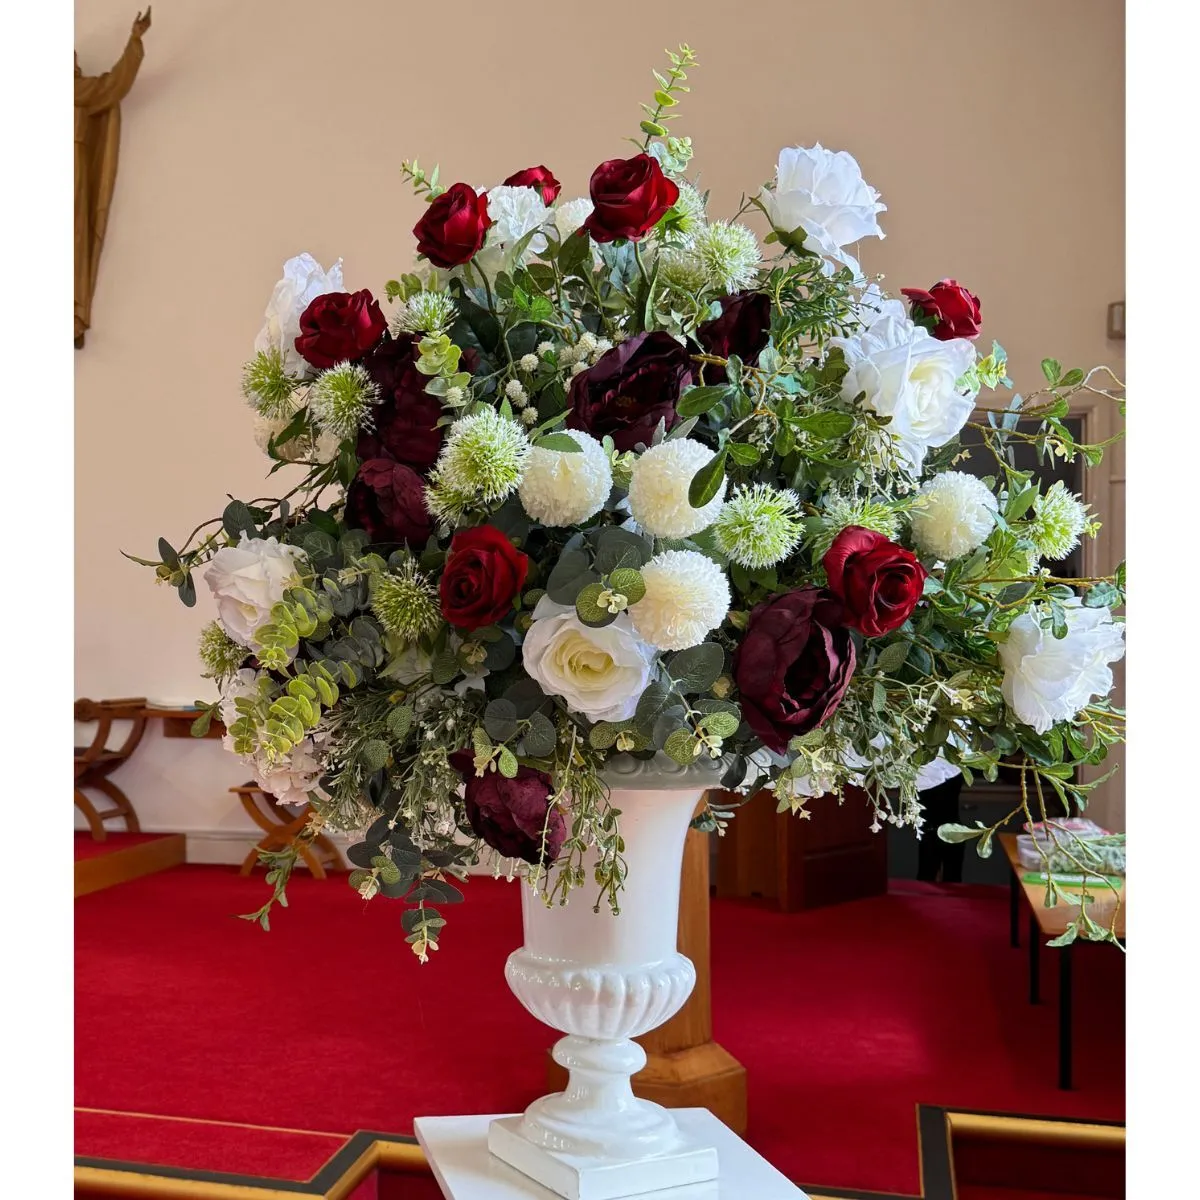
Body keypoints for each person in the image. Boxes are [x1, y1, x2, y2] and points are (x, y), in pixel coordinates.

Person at [914, 756, 965, 882]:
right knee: (927, 878)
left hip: (948, 829)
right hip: (932, 831)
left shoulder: (953, 762)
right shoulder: (925, 765)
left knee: (950, 880)